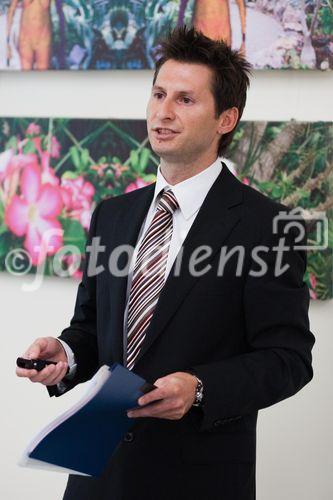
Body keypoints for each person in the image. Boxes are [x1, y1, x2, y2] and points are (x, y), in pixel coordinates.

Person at [16, 27, 315, 500]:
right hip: (98, 474)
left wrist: (200, 388)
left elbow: (289, 360)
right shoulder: (112, 215)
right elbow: (93, 327)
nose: (163, 112)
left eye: (185, 99)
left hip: (200, 480)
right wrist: (66, 355)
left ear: (226, 119)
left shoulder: (267, 225)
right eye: (158, 94)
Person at [7, 0, 52, 70]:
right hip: (25, 39)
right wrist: (8, 42)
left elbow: (59, 12)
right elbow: (11, 11)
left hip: (43, 38)